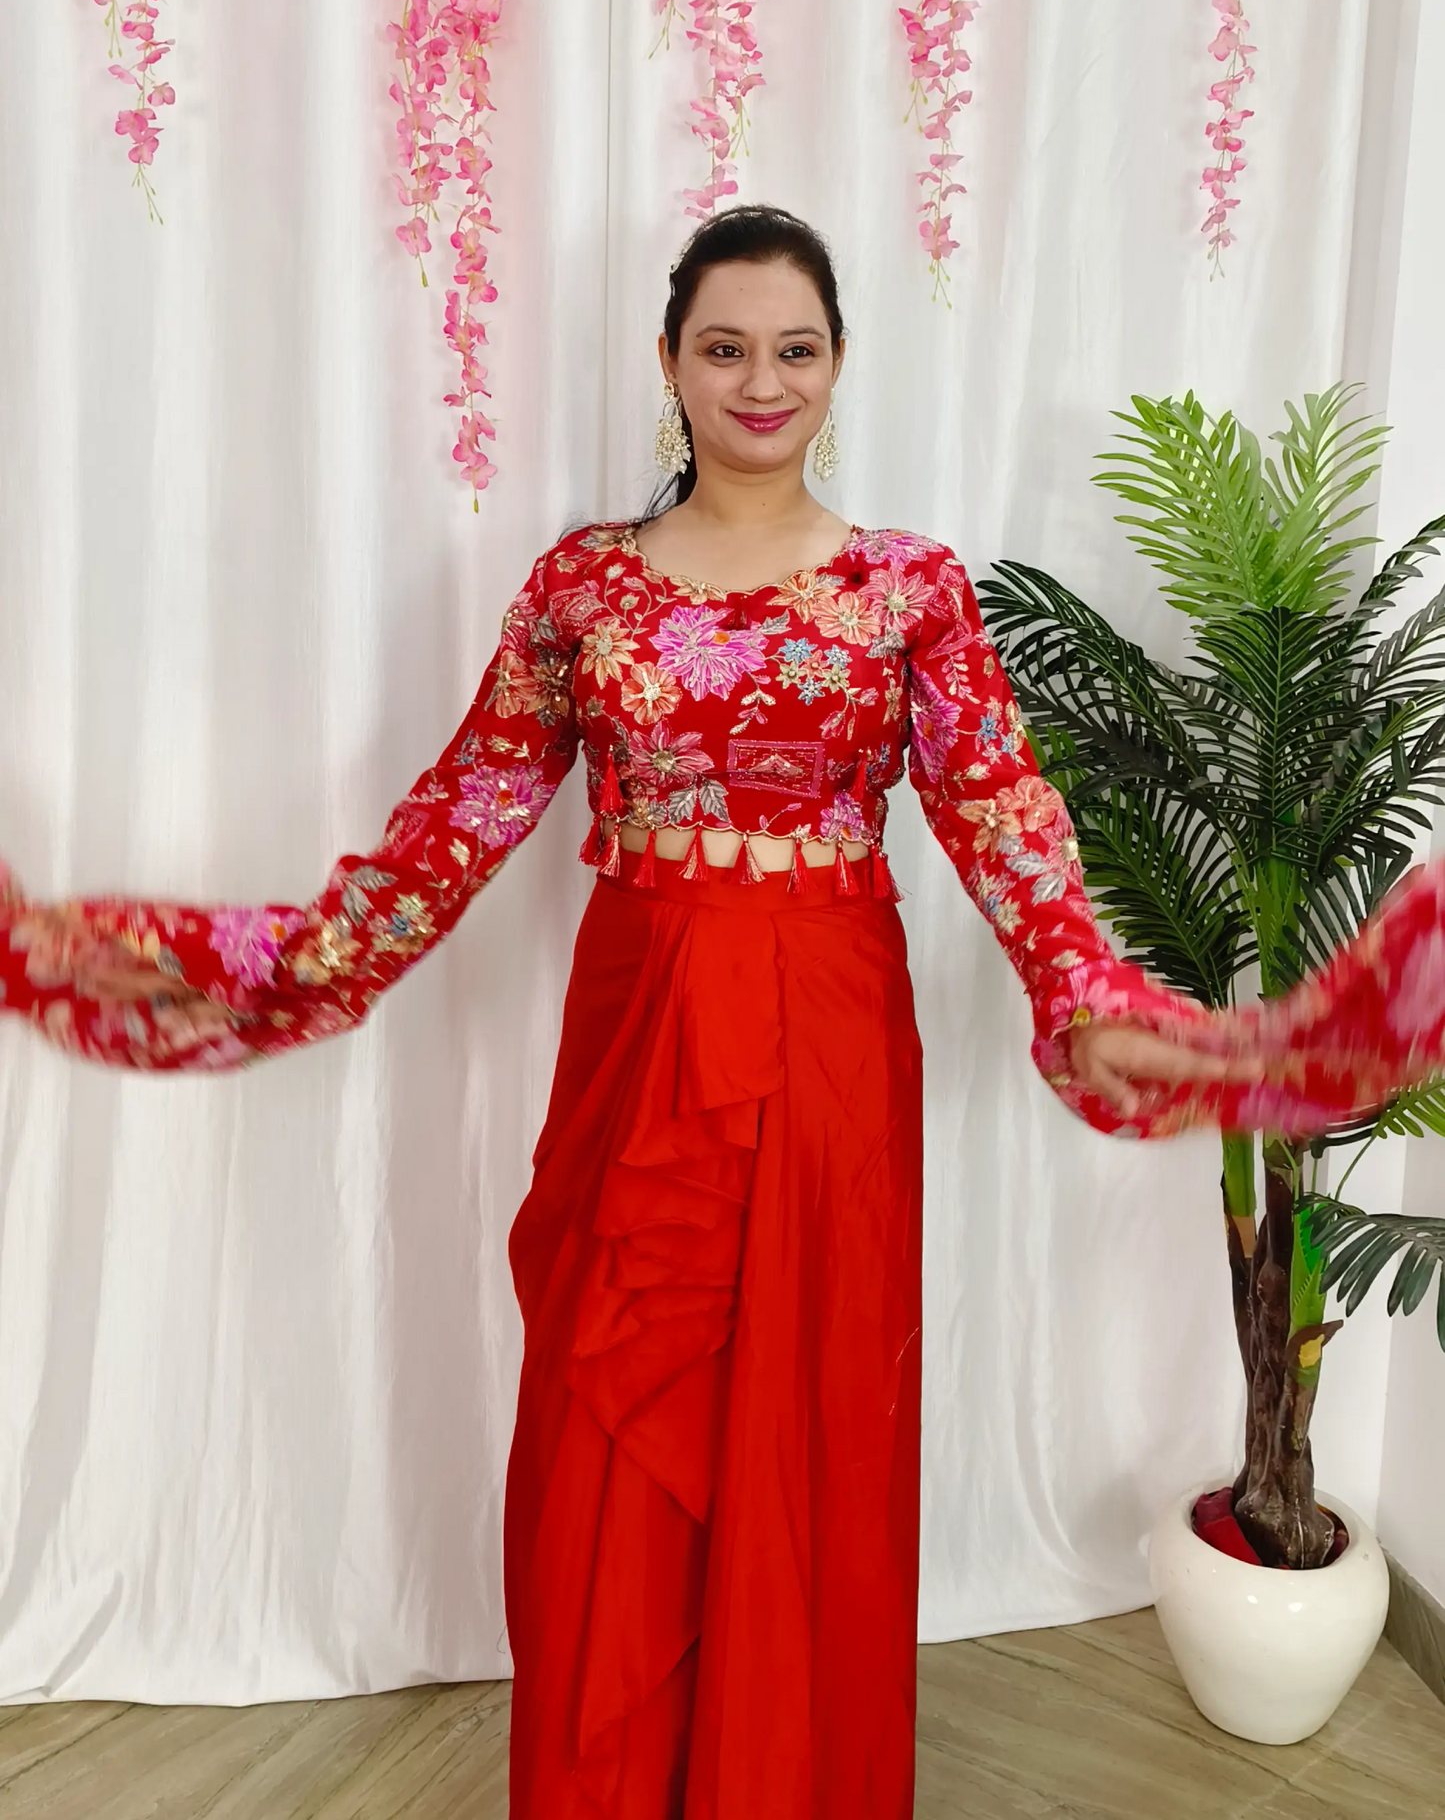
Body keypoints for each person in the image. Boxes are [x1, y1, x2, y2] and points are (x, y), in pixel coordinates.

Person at [0, 205, 1359, 1819]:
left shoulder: (910, 589)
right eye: (725, 347)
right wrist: (239, 959)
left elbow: (1007, 823)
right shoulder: (583, 588)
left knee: (807, 1437)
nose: (760, 380)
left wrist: (1093, 994)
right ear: (670, 363)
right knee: (602, 1432)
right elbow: (453, 827)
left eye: (795, 348)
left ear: (840, 364)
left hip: (833, 1042)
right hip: (639, 1038)